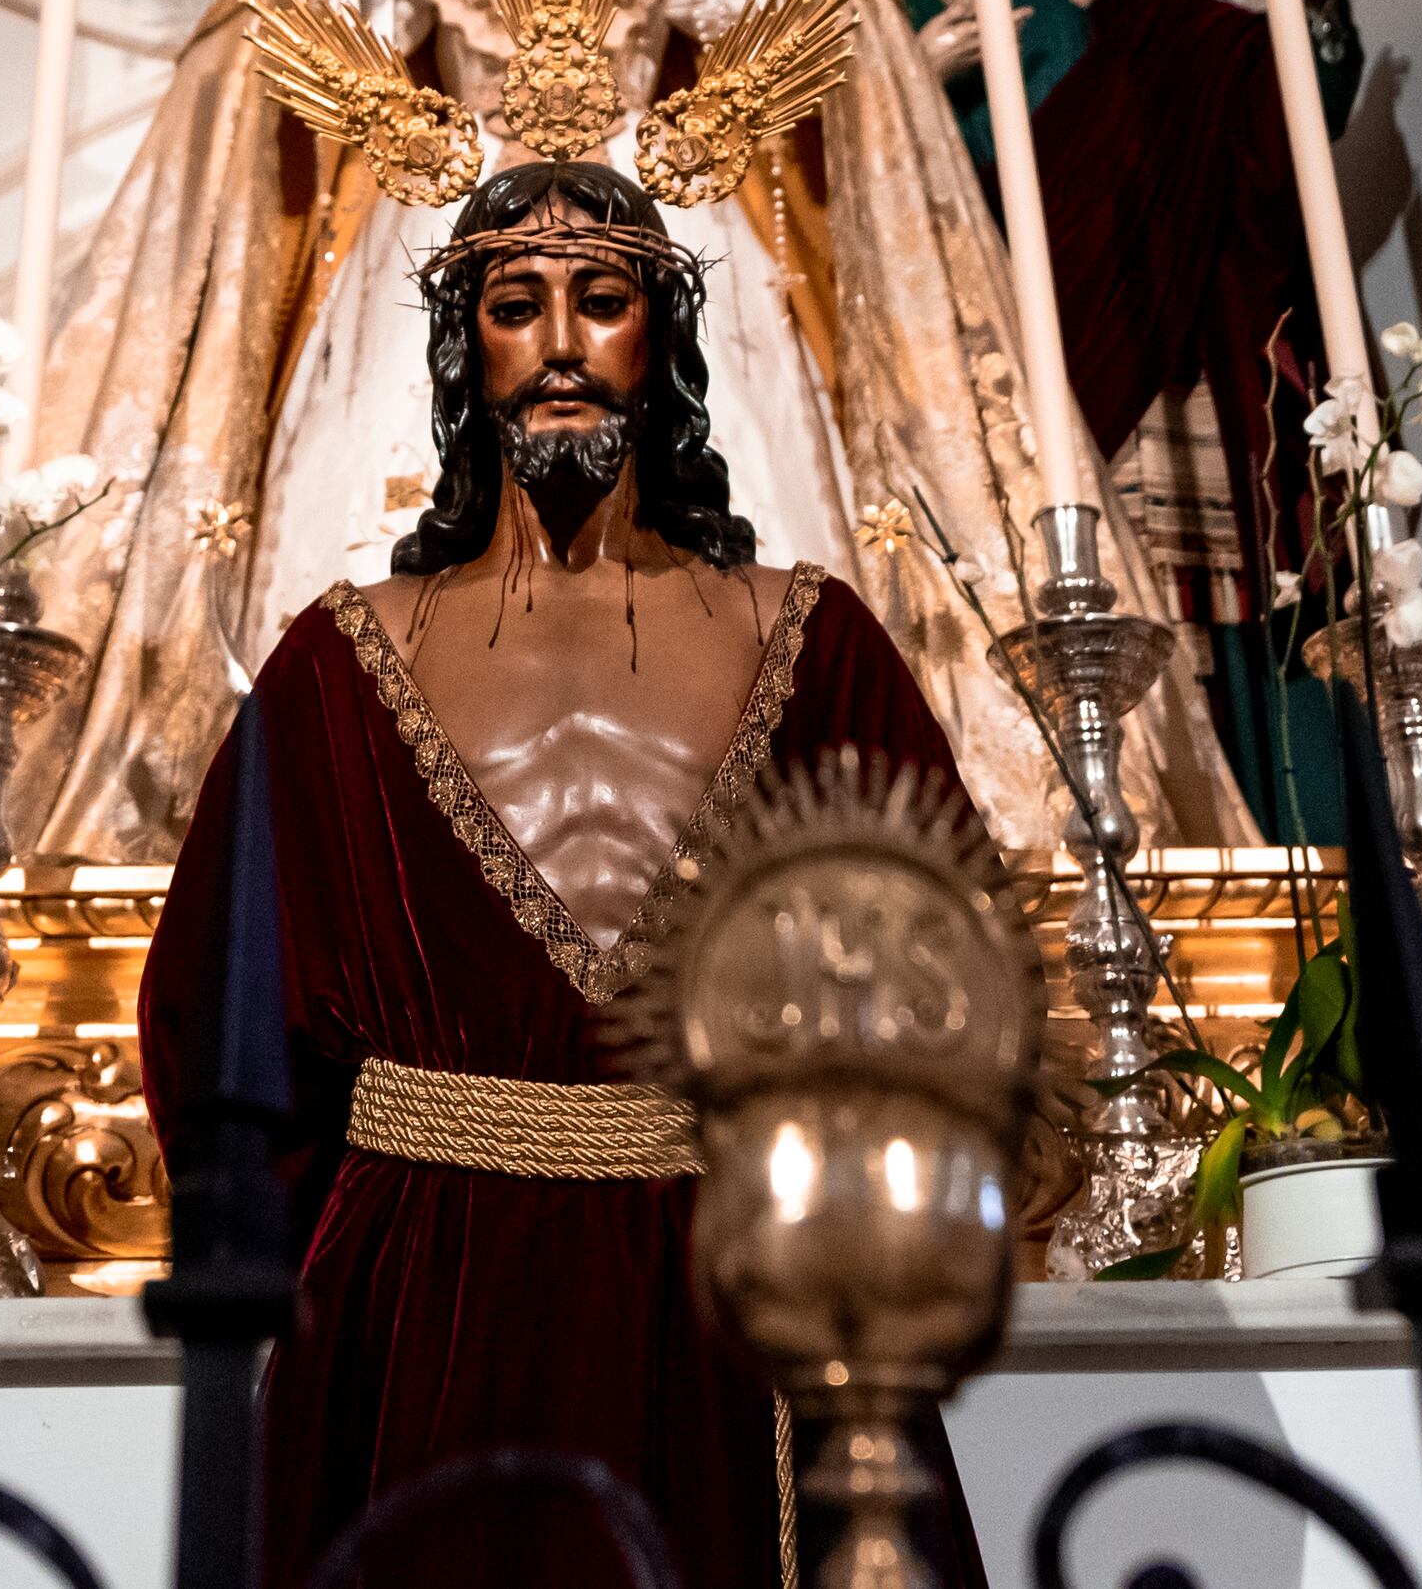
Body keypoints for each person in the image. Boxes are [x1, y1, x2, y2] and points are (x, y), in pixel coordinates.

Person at [0, 0, 1248, 869]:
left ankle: (711, 728)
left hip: (650, 185)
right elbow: (318, 31)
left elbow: (782, 15)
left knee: (709, 447)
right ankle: (421, 753)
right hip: (462, 184)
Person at [141, 161, 984, 1589]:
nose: (566, 342)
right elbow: (214, 1014)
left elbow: (942, 967)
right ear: (467, 345)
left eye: (607, 297)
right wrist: (297, 1276)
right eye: (516, 303)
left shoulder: (814, 637)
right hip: (412, 1298)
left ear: (665, 333)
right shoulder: (342, 656)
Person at [871, 0, 1368, 841]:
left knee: (1190, 581)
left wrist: (1307, 16)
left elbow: (1253, 103)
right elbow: (861, 182)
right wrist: (909, 82)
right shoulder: (902, 6)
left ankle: (1249, 837)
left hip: (1148, 330)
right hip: (992, 335)